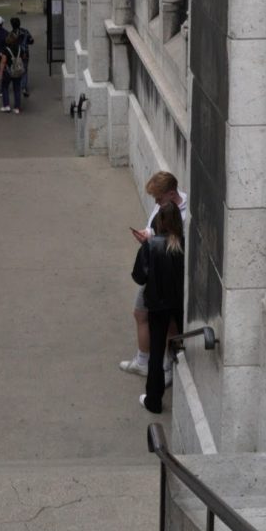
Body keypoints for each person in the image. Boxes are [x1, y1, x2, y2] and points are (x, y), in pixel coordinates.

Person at [119, 171, 187, 380]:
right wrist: (147, 233)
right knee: (145, 315)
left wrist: (149, 243)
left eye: (159, 198)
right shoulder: (166, 204)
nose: (156, 203)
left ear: (171, 194)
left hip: (163, 277)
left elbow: (174, 244)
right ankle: (148, 362)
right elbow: (155, 228)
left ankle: (162, 367)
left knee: (163, 323)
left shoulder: (184, 215)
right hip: (161, 273)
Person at [131, 202, 184, 413]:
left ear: (160, 222)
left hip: (157, 304)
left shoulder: (151, 246)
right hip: (179, 304)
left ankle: (154, 399)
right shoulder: (184, 244)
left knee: (156, 350)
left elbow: (139, 276)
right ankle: (174, 371)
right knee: (179, 340)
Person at [0, 34, 23, 113]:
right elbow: (23, 57)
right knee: (17, 89)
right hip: (17, 71)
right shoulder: (20, 48)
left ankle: (6, 106)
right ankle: (17, 108)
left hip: (8, 72)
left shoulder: (6, 50)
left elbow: (3, 62)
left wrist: (0, 74)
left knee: (5, 87)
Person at [9, 16, 34, 96]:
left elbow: (8, 44)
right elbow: (31, 41)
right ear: (19, 24)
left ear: (12, 25)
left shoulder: (10, 34)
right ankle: (23, 88)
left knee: (15, 70)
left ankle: (16, 86)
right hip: (25, 54)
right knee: (24, 70)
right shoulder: (25, 31)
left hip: (15, 55)